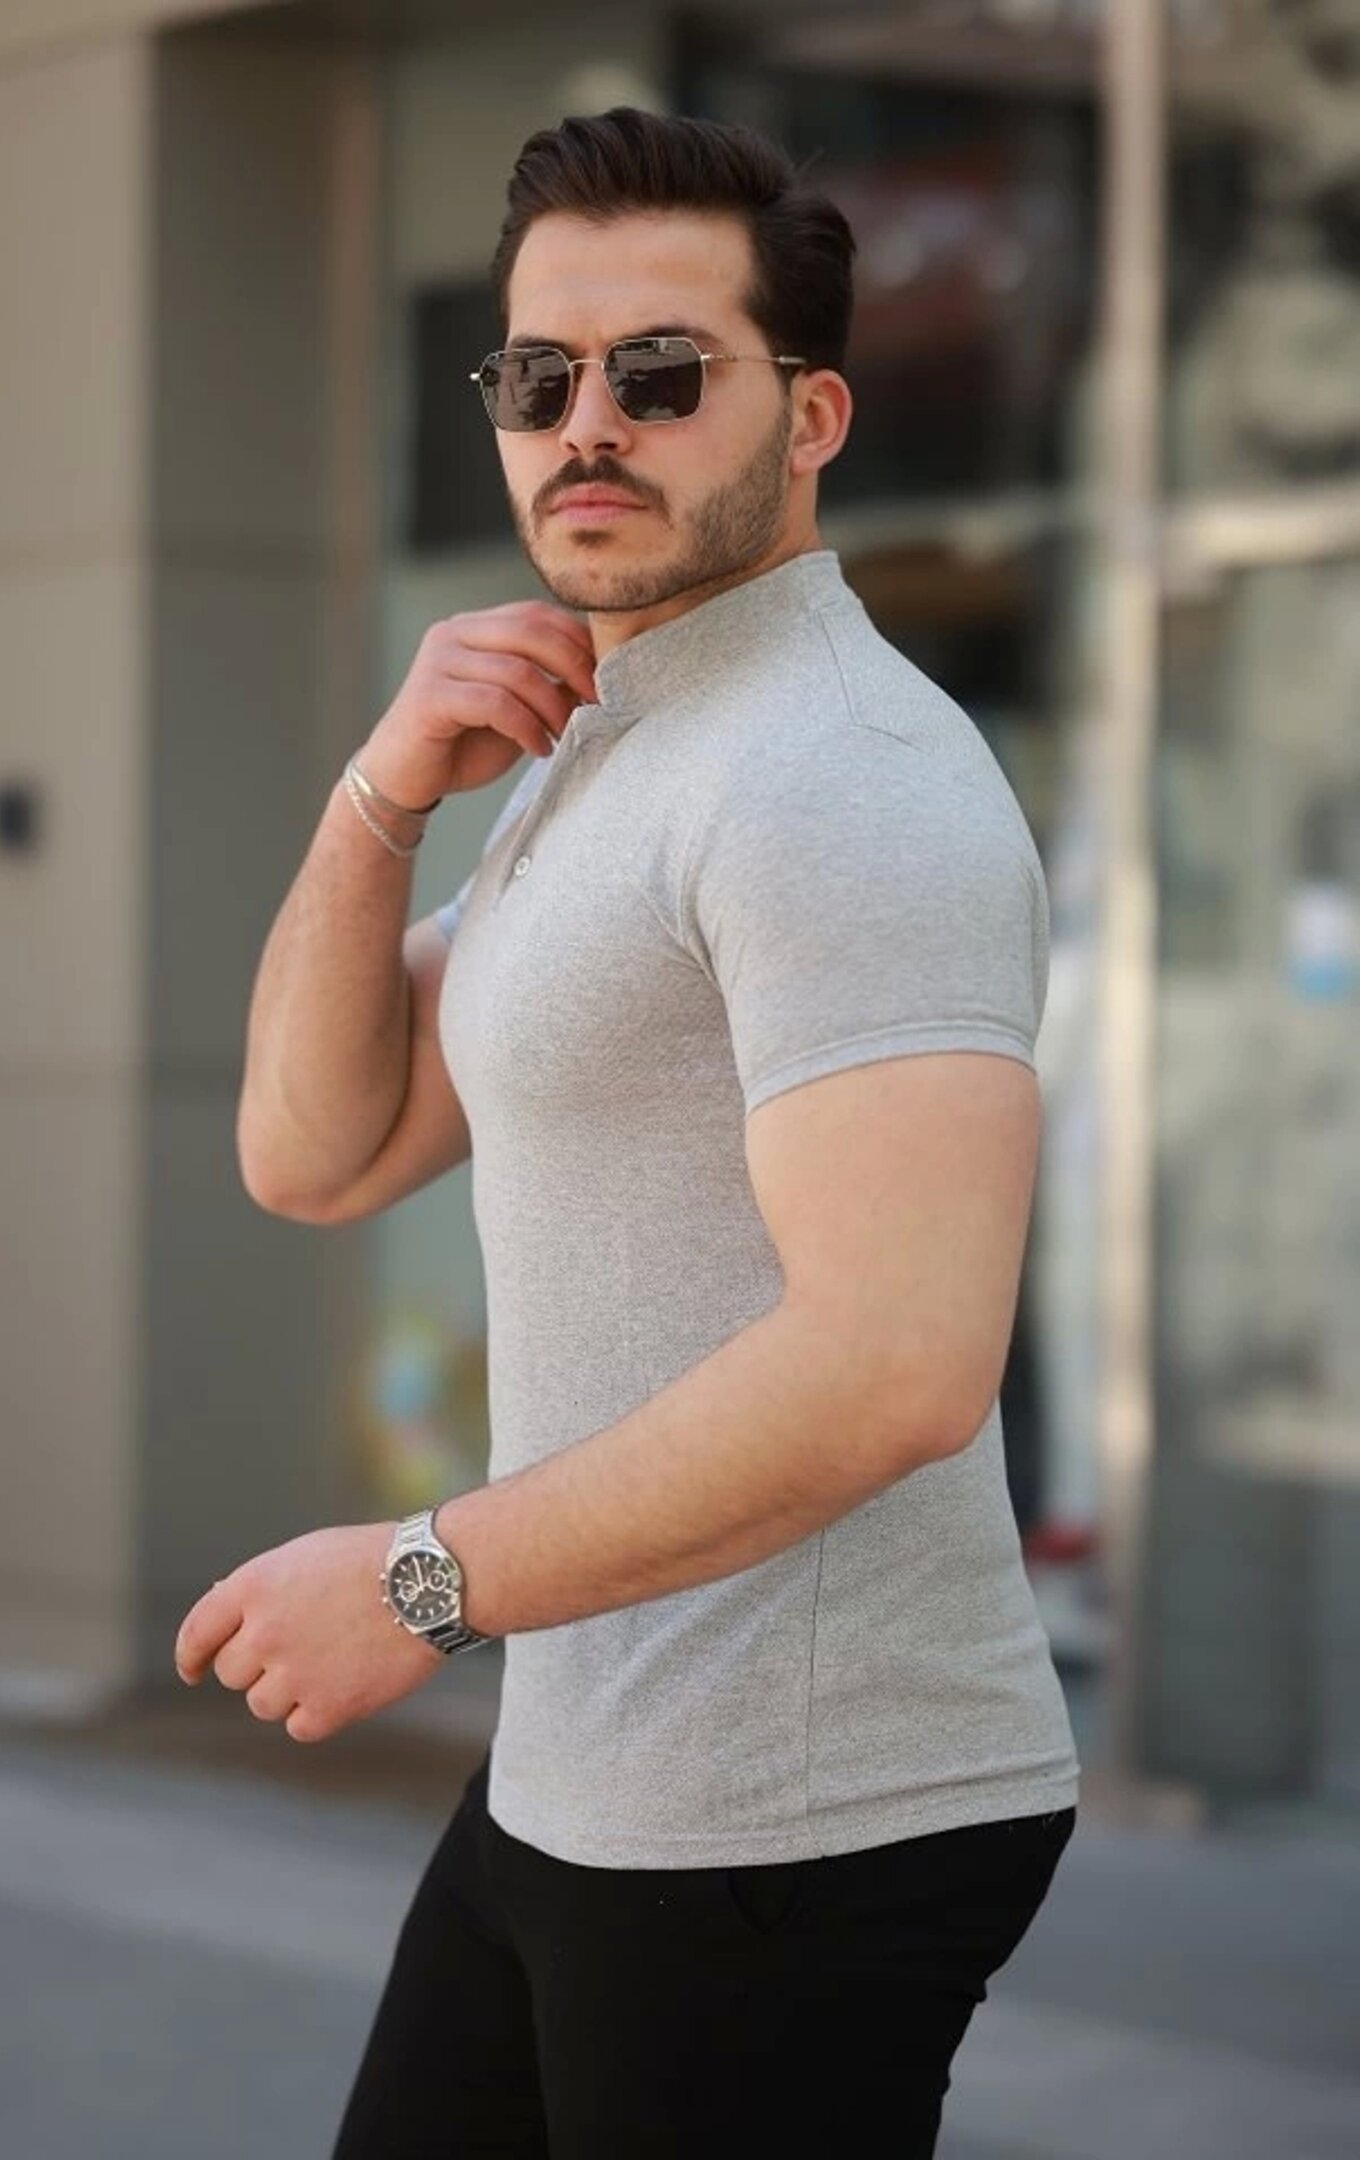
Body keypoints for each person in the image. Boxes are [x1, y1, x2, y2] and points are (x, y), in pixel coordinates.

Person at [173, 106, 1080, 2158]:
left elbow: (899, 1362)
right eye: (539, 376)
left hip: (802, 1817)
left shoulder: (839, 777)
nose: (589, 424)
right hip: (587, 1773)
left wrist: (418, 1583)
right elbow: (317, 1151)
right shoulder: (605, 744)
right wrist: (379, 796)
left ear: (812, 414)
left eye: (663, 372)